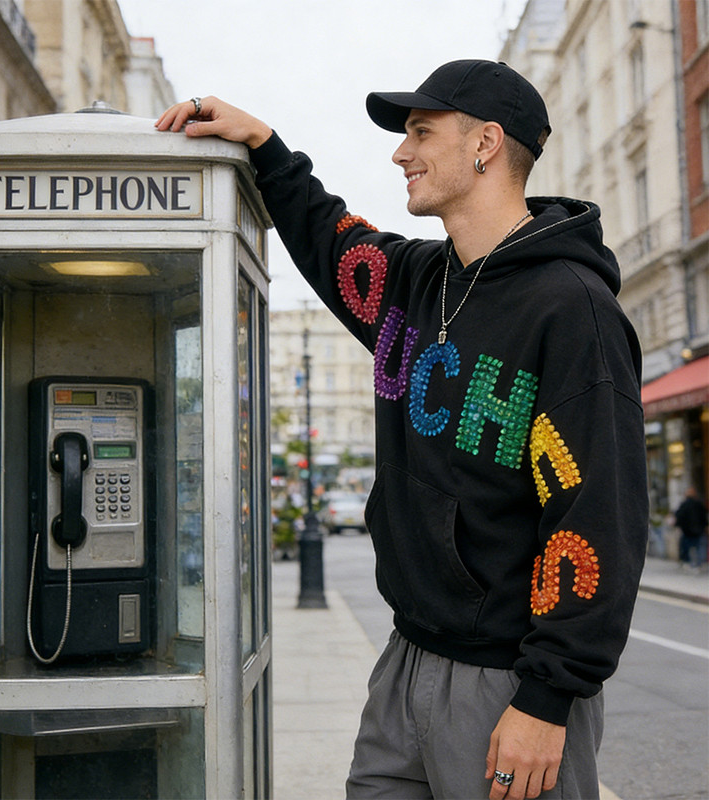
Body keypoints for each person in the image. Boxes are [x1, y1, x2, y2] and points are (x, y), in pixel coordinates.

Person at [157, 60, 648, 800]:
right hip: (406, 660)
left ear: (485, 142)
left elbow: (599, 518)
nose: (400, 152)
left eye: (421, 131)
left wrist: (548, 697)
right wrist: (264, 144)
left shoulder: (573, 309)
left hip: (509, 682)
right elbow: (334, 242)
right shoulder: (419, 280)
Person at [674, 486, 708, 570]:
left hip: (687, 531)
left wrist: (679, 525)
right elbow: (704, 516)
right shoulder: (699, 504)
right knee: (698, 547)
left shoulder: (684, 504)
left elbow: (679, 516)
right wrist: (705, 526)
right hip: (698, 530)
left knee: (686, 547)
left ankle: (687, 562)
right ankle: (698, 563)